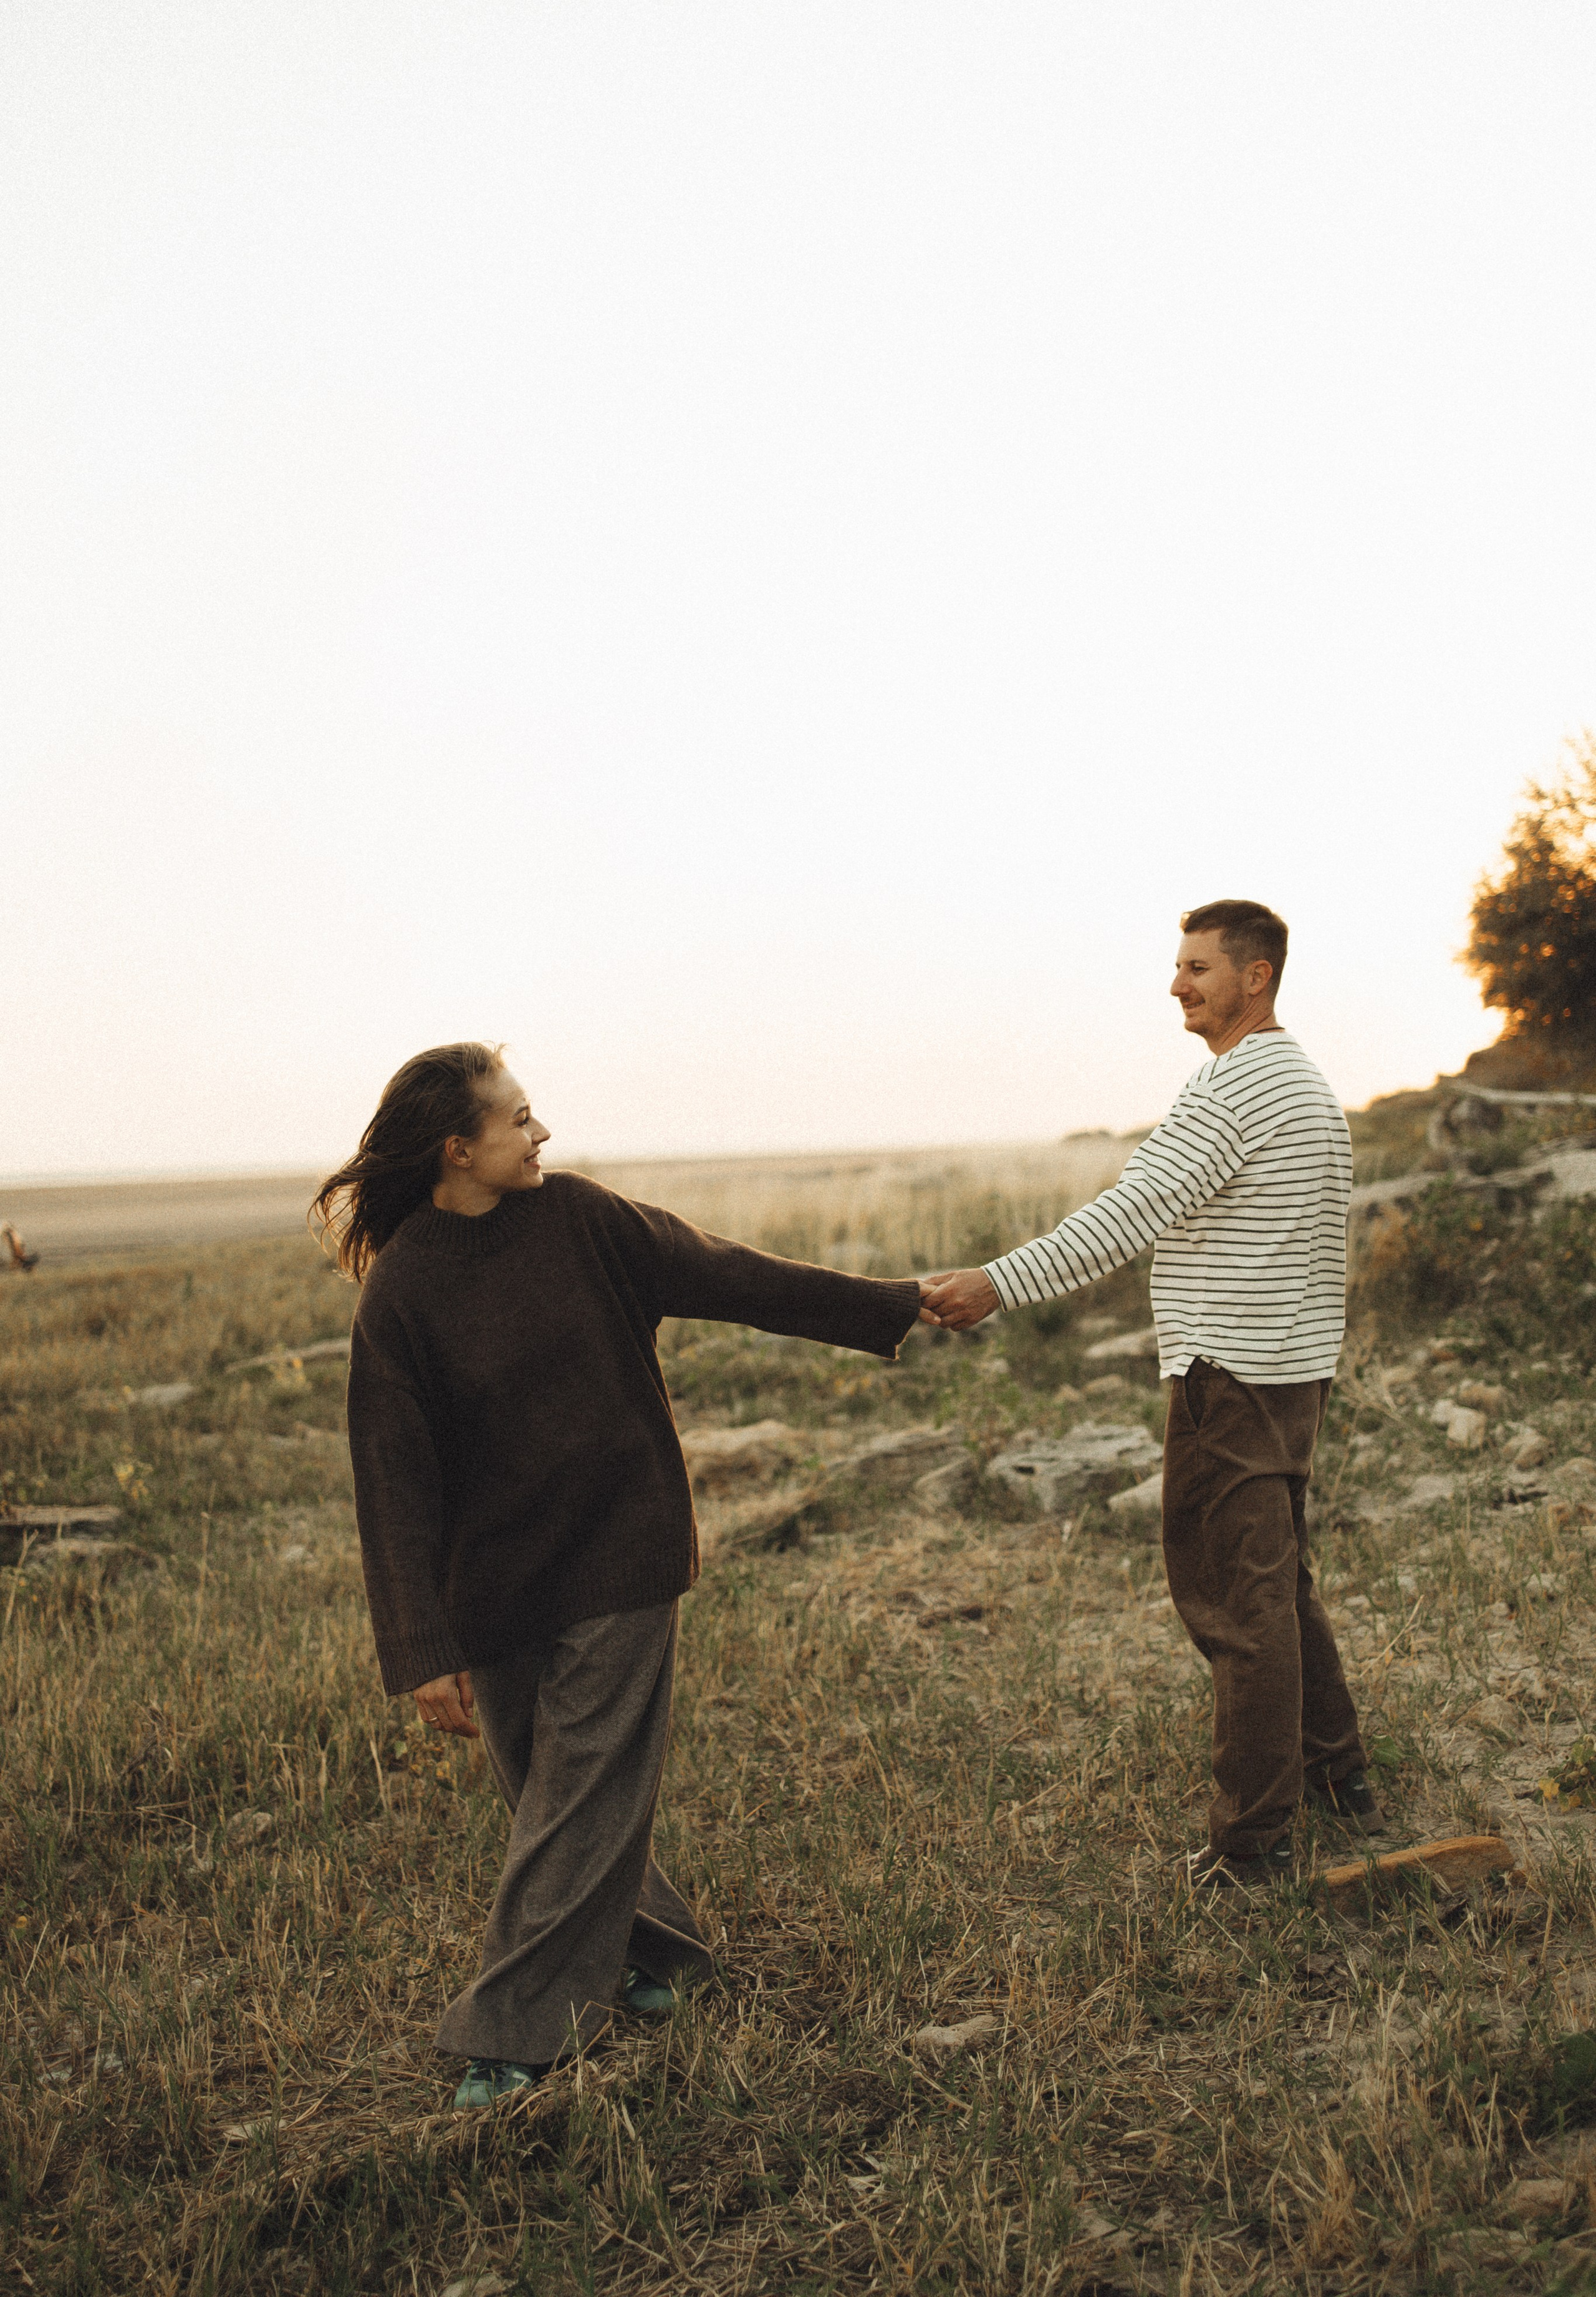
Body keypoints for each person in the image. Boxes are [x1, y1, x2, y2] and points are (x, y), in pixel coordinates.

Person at [314, 1043, 925, 2107]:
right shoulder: (405, 1291)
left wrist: (895, 1303)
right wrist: (421, 1648)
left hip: (620, 1549)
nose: (541, 1132)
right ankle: (660, 1959)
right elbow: (393, 1484)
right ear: (459, 1150)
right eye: (519, 1119)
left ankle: (511, 2032)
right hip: (493, 1584)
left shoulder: (586, 1221)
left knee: (579, 1790)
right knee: (543, 1785)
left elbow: (735, 1275)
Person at [919, 901, 1380, 1888]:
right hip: (1292, 1377)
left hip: (1232, 1379)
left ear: (1256, 977)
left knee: (1235, 1606)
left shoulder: (1236, 1087)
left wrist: (996, 1282)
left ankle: (1252, 1846)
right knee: (1279, 1587)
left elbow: (1129, 1212)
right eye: (1177, 966)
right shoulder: (1306, 1084)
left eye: (1198, 967)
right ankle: (1340, 1780)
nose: (1178, 984)